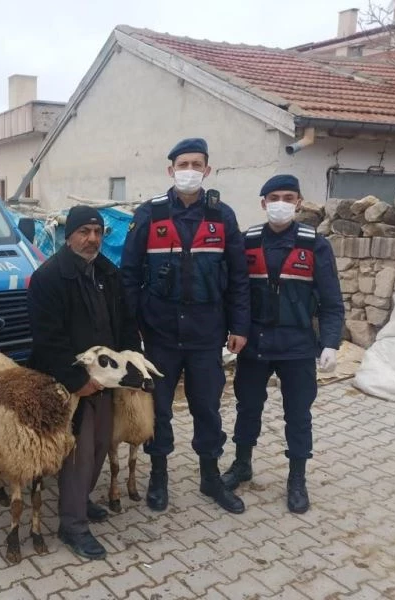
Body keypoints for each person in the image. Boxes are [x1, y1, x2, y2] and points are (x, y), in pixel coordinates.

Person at [120, 138, 250, 514]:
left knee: (207, 407)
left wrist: (239, 325)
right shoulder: (150, 214)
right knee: (159, 407)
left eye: (197, 164)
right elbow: (129, 275)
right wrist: (133, 329)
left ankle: (210, 477)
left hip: (207, 331)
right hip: (160, 331)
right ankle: (158, 475)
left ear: (207, 170)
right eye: (183, 164)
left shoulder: (222, 216)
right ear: (170, 170)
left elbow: (239, 277)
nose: (189, 170)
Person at [221, 174, 344, 514]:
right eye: (274, 197)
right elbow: (234, 294)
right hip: (255, 343)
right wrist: (231, 330)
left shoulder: (314, 244)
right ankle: (242, 464)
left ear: (299, 202)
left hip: (298, 345)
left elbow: (332, 300)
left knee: (298, 414)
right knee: (247, 408)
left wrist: (331, 343)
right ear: (263, 203)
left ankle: (297, 478)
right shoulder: (248, 241)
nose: (281, 203)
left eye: (289, 197)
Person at [28, 205, 141, 560]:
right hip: (69, 382)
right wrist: (77, 380)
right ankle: (72, 524)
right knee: (78, 450)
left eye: (97, 232)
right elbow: (47, 339)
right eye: (84, 232)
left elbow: (124, 322)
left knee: (101, 443)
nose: (92, 239)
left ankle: (81, 502)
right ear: (69, 235)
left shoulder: (106, 272)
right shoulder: (49, 277)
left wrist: (131, 365)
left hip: (105, 377)